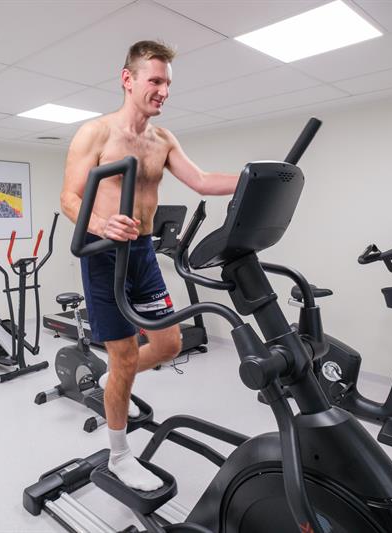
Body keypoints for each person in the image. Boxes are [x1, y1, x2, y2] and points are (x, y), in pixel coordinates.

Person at [60, 40, 239, 492]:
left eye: (168, 83)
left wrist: (254, 178)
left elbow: (202, 181)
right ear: (128, 79)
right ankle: (120, 455)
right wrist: (101, 222)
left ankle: (113, 380)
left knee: (169, 344)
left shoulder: (163, 139)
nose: (164, 91)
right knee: (123, 356)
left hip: (142, 252)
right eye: (155, 80)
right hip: (103, 254)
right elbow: (69, 198)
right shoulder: (95, 133)